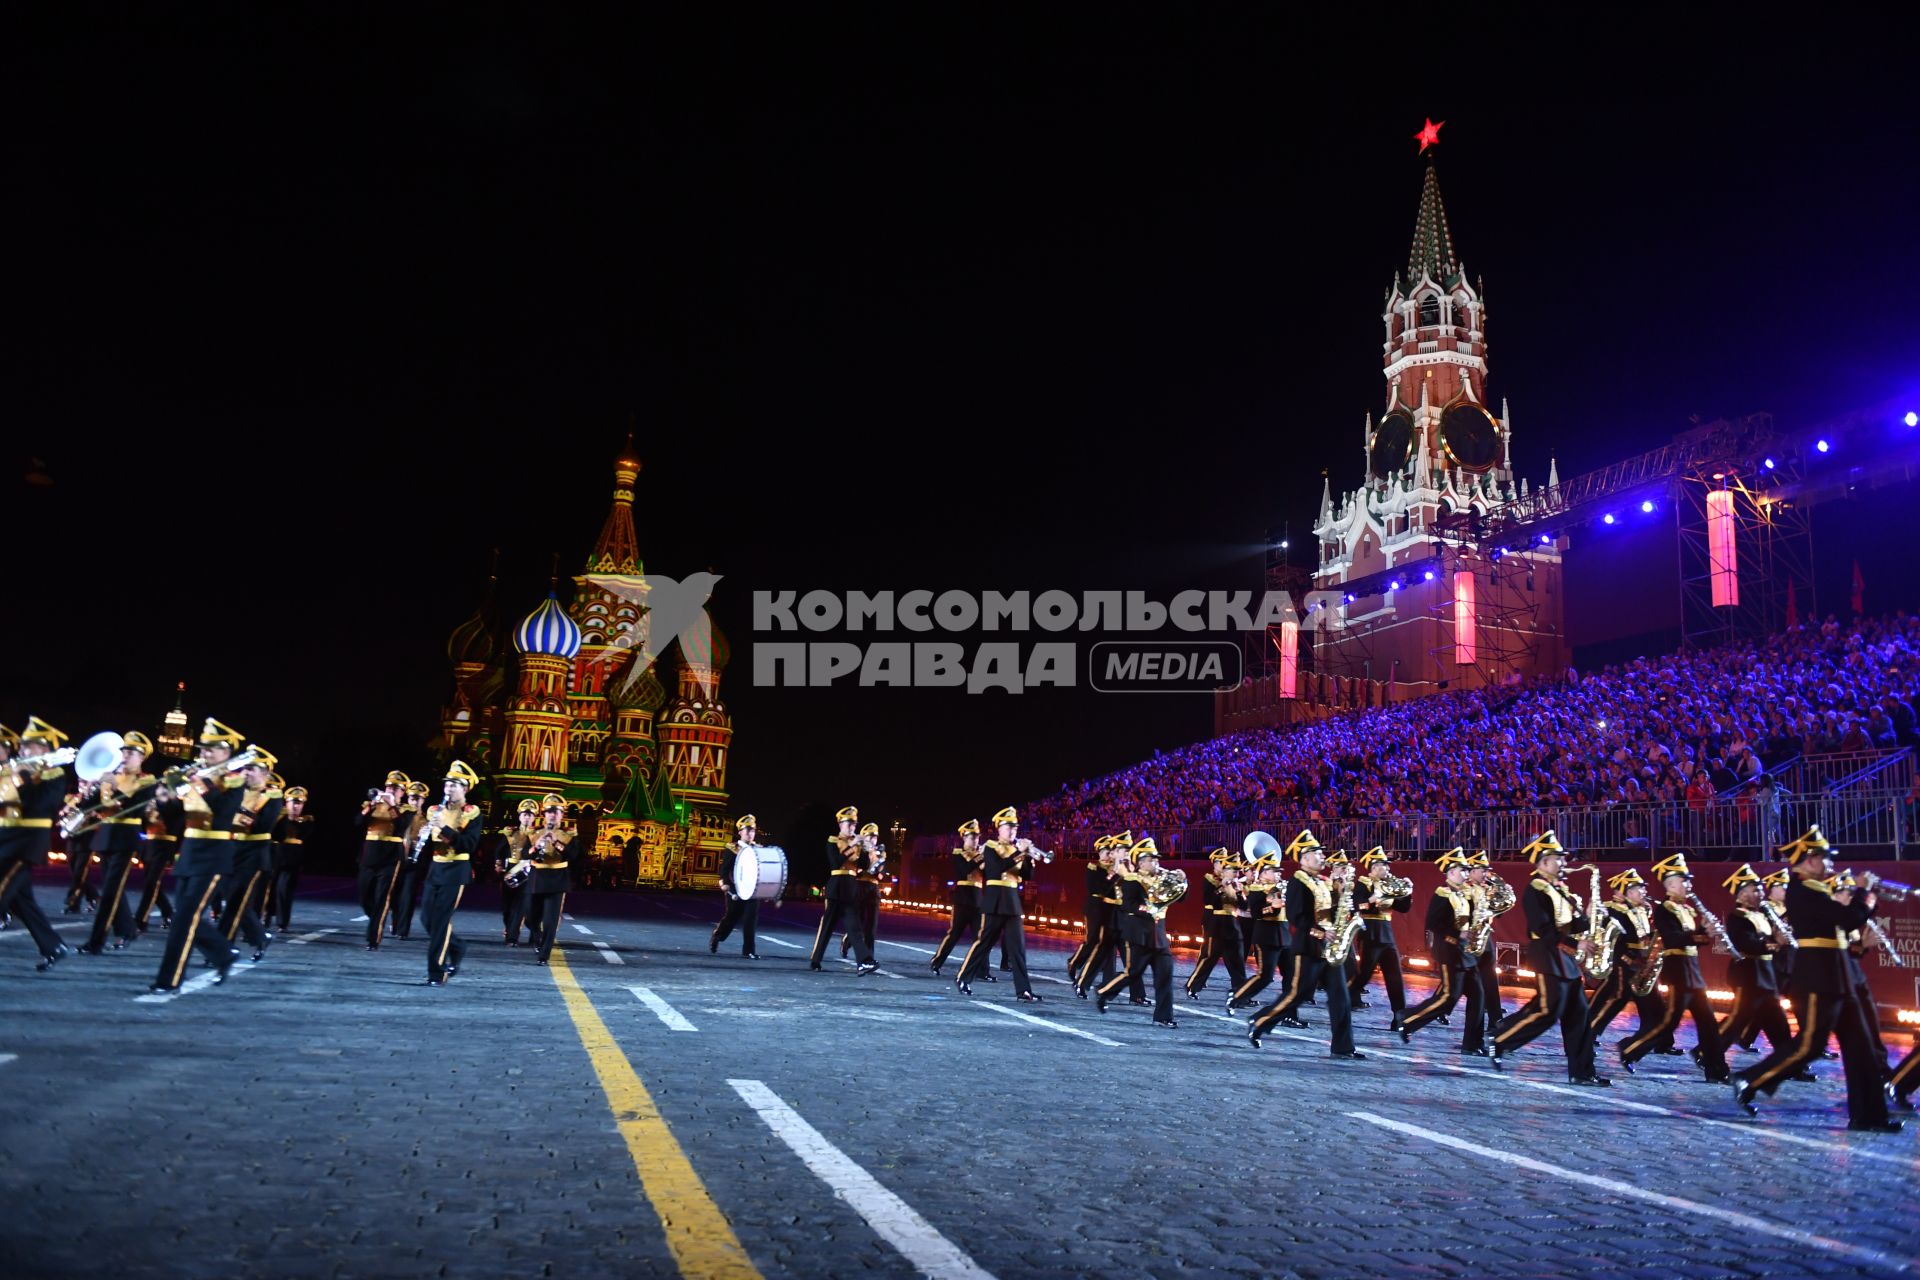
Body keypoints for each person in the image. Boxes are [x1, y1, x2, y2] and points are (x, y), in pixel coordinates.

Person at [1732, 827, 1899, 1131]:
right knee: (1810, 1044)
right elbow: (1848, 918)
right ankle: (1750, 1080)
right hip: (1817, 977)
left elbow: (1847, 922)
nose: (1831, 866)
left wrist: (1857, 898)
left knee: (1860, 1048)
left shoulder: (1818, 889)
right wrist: (1864, 894)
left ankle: (1869, 1116)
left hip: (1839, 976)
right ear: (1808, 861)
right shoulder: (1801, 890)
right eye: (1825, 860)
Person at [1489, 832, 1607, 1085]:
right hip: (1548, 956)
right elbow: (1543, 929)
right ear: (1543, 862)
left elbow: (1574, 924)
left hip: (1566, 960)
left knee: (1579, 1015)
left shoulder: (1559, 889)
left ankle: (1582, 1072)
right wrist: (1577, 943)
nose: (1563, 863)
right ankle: (1500, 1041)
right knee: (1548, 1012)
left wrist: (1588, 916)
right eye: (1557, 859)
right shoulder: (1535, 890)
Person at [148, 719, 251, 994]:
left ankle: (169, 980)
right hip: (190, 851)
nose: (204, 754)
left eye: (211, 750)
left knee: (184, 918)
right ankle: (224, 954)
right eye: (203, 749)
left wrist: (202, 783)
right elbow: (176, 817)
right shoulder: (195, 777)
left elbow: (223, 812)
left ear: (227, 752)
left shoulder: (234, 779)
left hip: (214, 854)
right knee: (185, 915)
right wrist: (163, 799)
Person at [1247, 830, 1363, 1059]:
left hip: (1330, 948)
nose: (1322, 857)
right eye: (1316, 853)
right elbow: (1296, 916)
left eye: (1321, 853)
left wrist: (1342, 897)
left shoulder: (1322, 881)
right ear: (1304, 858)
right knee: (1296, 995)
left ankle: (1343, 1047)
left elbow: (1329, 910)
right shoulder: (1298, 882)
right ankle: (1259, 1021)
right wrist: (1320, 932)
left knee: (1341, 997)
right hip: (1308, 947)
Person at [1615, 852, 1728, 1082]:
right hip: (1677, 971)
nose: (1688, 885)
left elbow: (1691, 940)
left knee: (1708, 1022)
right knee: (1670, 1022)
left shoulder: (1686, 909)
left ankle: (1716, 1070)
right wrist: (1700, 933)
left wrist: (1708, 933)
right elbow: (1673, 939)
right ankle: (1630, 1048)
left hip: (1692, 970)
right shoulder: (1665, 910)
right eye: (1684, 881)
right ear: (1671, 884)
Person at [0, 717, 75, 971]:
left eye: (28, 747)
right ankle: (53, 946)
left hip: (28, 843)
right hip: (7, 839)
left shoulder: (54, 773)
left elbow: (42, 804)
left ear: (44, 749)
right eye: (21, 746)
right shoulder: (13, 771)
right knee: (22, 902)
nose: (21, 751)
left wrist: (23, 780)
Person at [1395, 848, 1483, 1054]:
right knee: (1448, 998)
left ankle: (1472, 1044)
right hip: (1450, 952)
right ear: (1451, 872)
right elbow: (1433, 924)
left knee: (1479, 996)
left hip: (1466, 953)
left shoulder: (1465, 893)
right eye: (1462, 870)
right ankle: (1407, 1019)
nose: (1466, 873)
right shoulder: (1442, 894)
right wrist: (1456, 935)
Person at [76, 731, 157, 954]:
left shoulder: (146, 780)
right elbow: (89, 806)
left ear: (142, 758)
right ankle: (128, 931)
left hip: (126, 837)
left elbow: (137, 808)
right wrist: (89, 790)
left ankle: (96, 942)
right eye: (124, 751)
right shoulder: (110, 775)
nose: (125, 755)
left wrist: (114, 787)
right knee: (114, 890)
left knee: (110, 892)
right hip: (105, 836)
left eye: (131, 752)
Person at [955, 806, 1039, 1000]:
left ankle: (1023, 990)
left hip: (1012, 902)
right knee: (984, 943)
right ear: (999, 828)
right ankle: (964, 977)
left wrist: (1028, 856)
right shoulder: (991, 847)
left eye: (1015, 827)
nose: (1012, 831)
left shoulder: (1015, 849)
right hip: (995, 900)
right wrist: (1019, 852)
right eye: (1008, 827)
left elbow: (1027, 875)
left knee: (1018, 948)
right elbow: (998, 868)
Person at [1096, 837, 1179, 1027]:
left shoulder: (1162, 877)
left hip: (1159, 936)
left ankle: (1163, 1017)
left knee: (1165, 976)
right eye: (1152, 859)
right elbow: (1128, 905)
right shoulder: (1132, 880)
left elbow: (1181, 898)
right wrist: (1148, 907)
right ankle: (1103, 993)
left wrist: (1182, 880)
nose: (1156, 863)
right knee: (1132, 973)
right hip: (1139, 936)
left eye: (1156, 859)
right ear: (1141, 862)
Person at [1720, 863, 1795, 1060]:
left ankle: (1790, 1063)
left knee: (1778, 1023)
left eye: (1761, 889)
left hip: (1765, 975)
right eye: (1756, 890)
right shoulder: (1737, 917)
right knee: (1738, 1021)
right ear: (1742, 893)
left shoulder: (1762, 913)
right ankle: (1707, 1052)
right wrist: (1774, 943)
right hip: (1749, 975)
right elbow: (1746, 943)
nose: (1761, 893)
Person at [419, 762, 484, 984]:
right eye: (447, 784)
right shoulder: (434, 811)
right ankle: (457, 946)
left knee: (440, 921)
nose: (448, 788)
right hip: (435, 868)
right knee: (426, 919)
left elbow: (469, 844)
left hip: (456, 870)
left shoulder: (471, 813)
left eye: (454, 785)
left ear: (465, 789)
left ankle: (437, 972)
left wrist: (445, 829)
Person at [216, 748, 282, 963]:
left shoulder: (271, 796)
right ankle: (260, 936)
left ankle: (222, 947)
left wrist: (240, 811)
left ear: (265, 774)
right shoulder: (236, 790)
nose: (246, 773)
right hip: (231, 850)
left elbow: (264, 825)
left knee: (235, 900)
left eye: (252, 769)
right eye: (245, 768)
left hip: (254, 853)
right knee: (231, 900)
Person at [1347, 846, 1411, 1020]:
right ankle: (1343, 999)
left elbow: (1403, 908)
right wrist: (1371, 900)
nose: (1388, 869)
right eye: (1384, 866)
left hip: (1387, 935)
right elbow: (1356, 906)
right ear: (1373, 868)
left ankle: (1399, 1015)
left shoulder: (1389, 884)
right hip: (1370, 933)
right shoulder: (1363, 883)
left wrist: (1407, 893)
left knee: (1395, 976)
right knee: (1363, 975)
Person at [808, 805, 872, 972]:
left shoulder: (856, 843)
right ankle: (815, 960)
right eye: (849, 823)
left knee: (854, 927)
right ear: (840, 824)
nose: (852, 827)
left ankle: (864, 961)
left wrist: (865, 849)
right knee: (827, 927)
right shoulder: (833, 841)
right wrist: (853, 844)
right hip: (836, 886)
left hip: (850, 888)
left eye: (854, 824)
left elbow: (863, 866)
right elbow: (836, 862)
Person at [355, 771, 412, 950]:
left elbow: (402, 827)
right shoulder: (372, 805)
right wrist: (372, 804)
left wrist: (392, 805)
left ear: (402, 793)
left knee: (382, 898)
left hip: (390, 858)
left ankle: (373, 939)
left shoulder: (405, 809)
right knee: (364, 896)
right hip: (370, 855)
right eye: (388, 787)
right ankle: (377, 919)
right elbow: (358, 823)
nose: (390, 790)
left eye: (396, 788)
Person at [1185, 848, 1248, 1001]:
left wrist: (1239, 892)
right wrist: (1222, 887)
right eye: (1234, 871)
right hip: (1217, 925)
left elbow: (1244, 907)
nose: (1237, 875)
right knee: (1209, 958)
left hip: (1233, 925)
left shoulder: (1237, 885)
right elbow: (1209, 901)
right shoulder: (1211, 880)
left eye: (1237, 871)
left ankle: (1242, 994)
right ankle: (1192, 986)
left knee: (1237, 962)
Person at [930, 819, 983, 977]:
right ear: (964, 837)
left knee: (980, 938)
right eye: (972, 837)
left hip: (978, 899)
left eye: (977, 837)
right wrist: (980, 857)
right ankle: (937, 961)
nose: (975, 840)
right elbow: (964, 870)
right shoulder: (958, 853)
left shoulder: (981, 855)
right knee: (954, 934)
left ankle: (982, 971)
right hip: (962, 899)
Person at [710, 814, 765, 958]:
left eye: (752, 831)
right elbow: (724, 870)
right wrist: (724, 883)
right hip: (736, 889)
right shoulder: (732, 848)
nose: (750, 833)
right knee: (732, 917)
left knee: (750, 920)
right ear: (740, 832)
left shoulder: (758, 849)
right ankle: (717, 935)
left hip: (753, 890)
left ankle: (749, 951)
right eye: (747, 830)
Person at [266, 785, 312, 932]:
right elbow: (276, 835)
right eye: (293, 802)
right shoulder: (278, 818)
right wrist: (285, 817)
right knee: (268, 890)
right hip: (274, 858)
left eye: (299, 803)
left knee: (284, 890)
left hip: (291, 861)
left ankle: (282, 922)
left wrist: (293, 819)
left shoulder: (306, 821)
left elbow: (304, 835)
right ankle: (265, 917)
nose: (296, 806)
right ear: (286, 802)